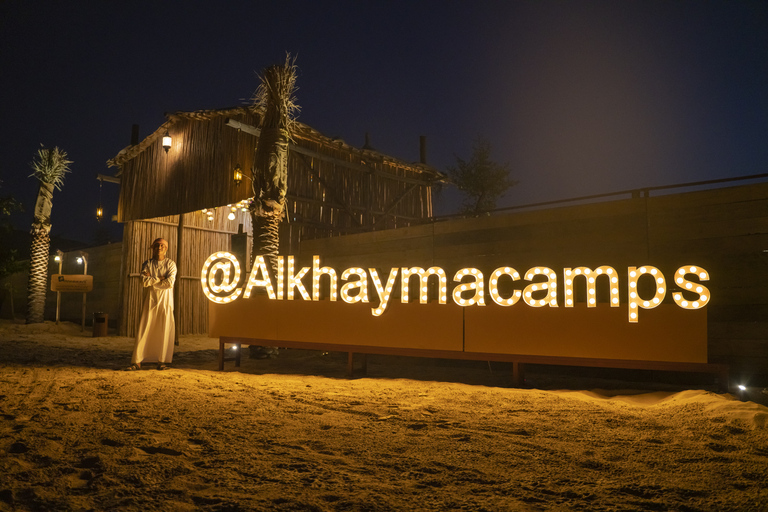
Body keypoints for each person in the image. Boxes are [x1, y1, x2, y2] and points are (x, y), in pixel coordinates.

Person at [125, 238, 176, 370]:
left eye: (162, 245)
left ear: (166, 248)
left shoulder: (170, 264)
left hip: (166, 301)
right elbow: (143, 281)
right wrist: (159, 278)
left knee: (164, 329)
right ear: (152, 247)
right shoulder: (147, 263)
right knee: (145, 327)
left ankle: (162, 361)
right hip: (150, 300)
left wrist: (151, 279)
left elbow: (169, 283)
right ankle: (137, 361)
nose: (159, 247)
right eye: (157, 245)